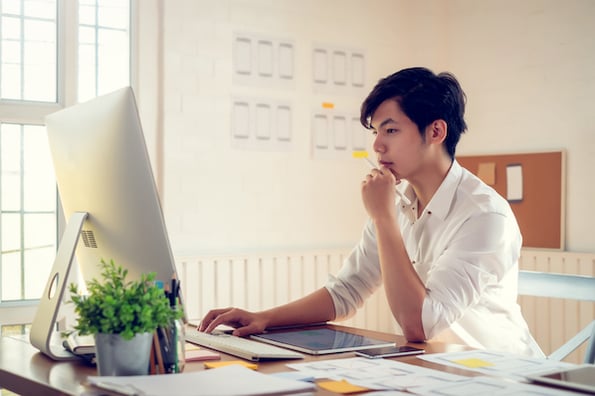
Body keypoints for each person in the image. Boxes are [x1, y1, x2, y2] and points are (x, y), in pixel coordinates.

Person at [199, 67, 544, 357]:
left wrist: (382, 218)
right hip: (435, 372)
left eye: (391, 130)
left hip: (501, 376)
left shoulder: (484, 216)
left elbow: (420, 325)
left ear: (436, 131)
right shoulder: (397, 201)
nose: (377, 145)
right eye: (376, 131)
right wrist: (264, 318)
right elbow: (346, 291)